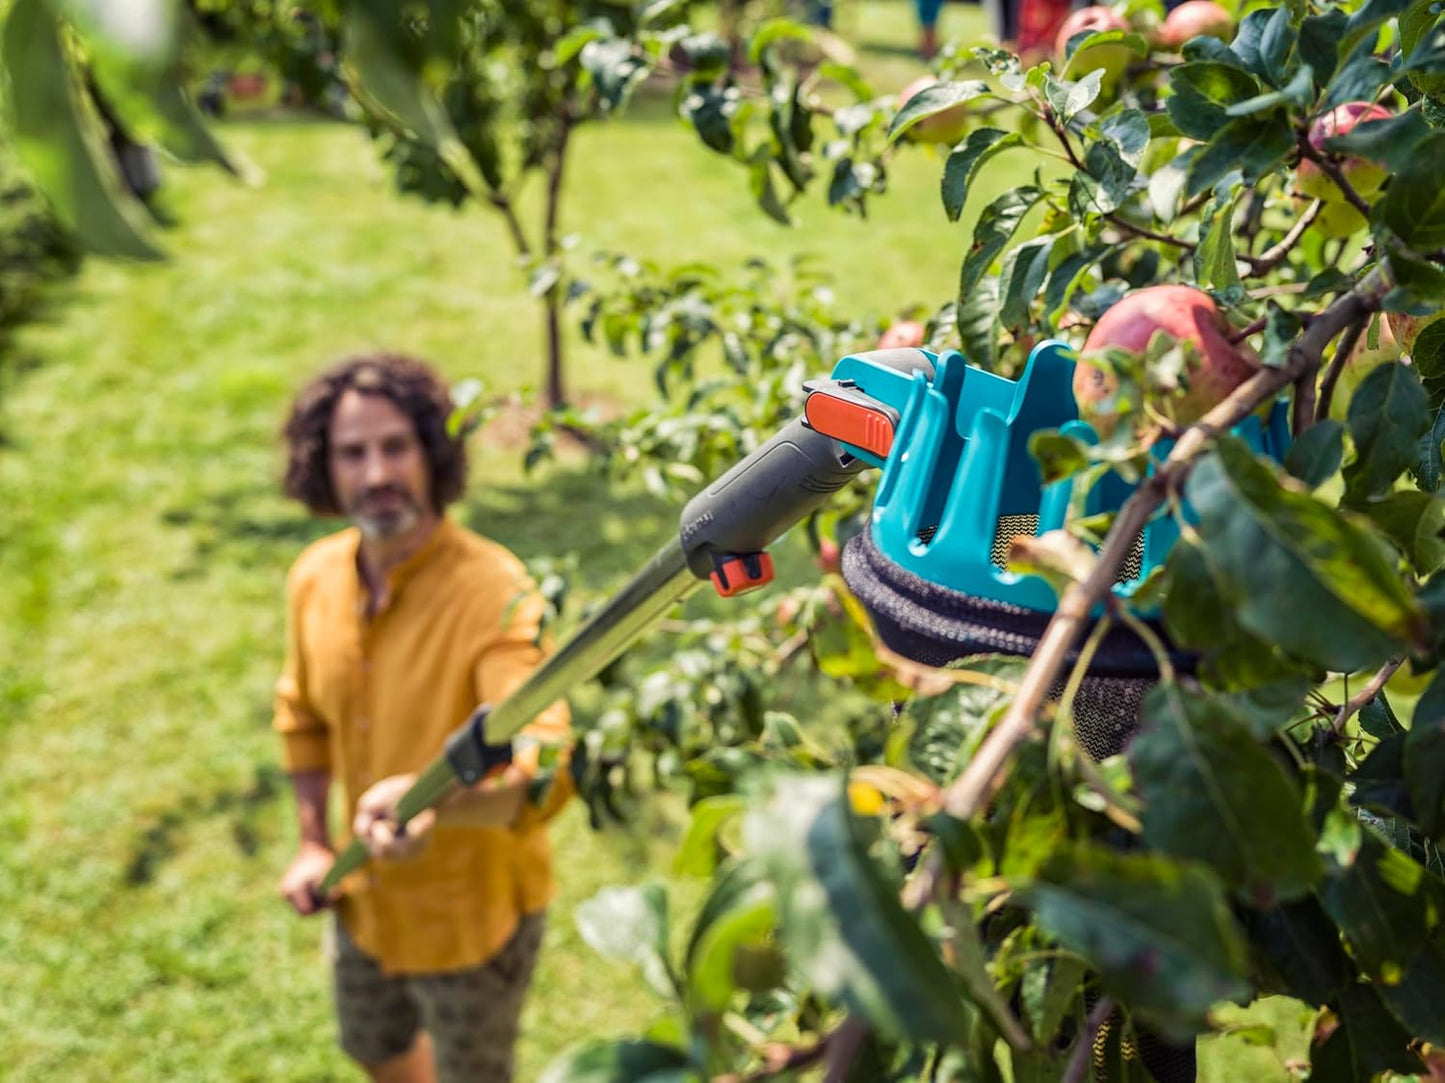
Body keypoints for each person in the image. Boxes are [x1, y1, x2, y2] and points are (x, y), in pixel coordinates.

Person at [272, 353, 572, 1083]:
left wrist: (439, 805)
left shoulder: (495, 592)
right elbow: (302, 717)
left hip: (469, 922)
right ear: (324, 466)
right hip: (362, 897)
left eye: (395, 446)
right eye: (352, 452)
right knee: (374, 1050)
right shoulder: (313, 577)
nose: (376, 473)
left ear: (434, 454)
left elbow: (545, 768)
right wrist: (314, 842)